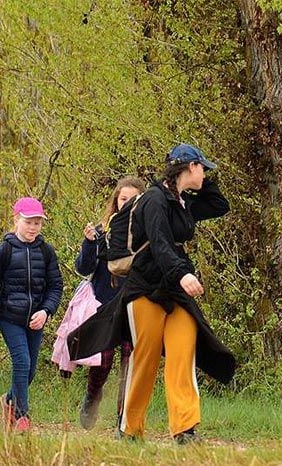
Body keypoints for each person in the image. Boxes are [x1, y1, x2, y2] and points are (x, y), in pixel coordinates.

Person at [67, 143, 235, 444]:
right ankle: (129, 430)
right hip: (145, 287)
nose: (205, 172)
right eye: (202, 167)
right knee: (145, 359)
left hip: (175, 290)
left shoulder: (182, 202)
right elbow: (159, 245)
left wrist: (198, 181)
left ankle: (184, 430)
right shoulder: (155, 200)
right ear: (190, 166)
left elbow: (220, 205)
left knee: (183, 353)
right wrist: (183, 274)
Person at [0, 197, 64, 432]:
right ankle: (22, 418)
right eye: (29, 222)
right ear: (16, 220)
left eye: (38, 223)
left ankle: (9, 399)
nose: (33, 228)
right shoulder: (2, 251)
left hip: (35, 320)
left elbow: (55, 286)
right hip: (9, 317)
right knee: (22, 362)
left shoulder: (46, 251)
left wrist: (46, 311)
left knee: (30, 371)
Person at [73, 177, 145, 430]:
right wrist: (89, 243)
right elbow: (83, 268)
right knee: (102, 364)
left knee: (130, 364)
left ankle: (122, 421)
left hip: (134, 306)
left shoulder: (147, 235)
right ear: (115, 202)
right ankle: (92, 397)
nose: (127, 204)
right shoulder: (102, 232)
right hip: (105, 305)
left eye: (133, 200)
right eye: (123, 199)